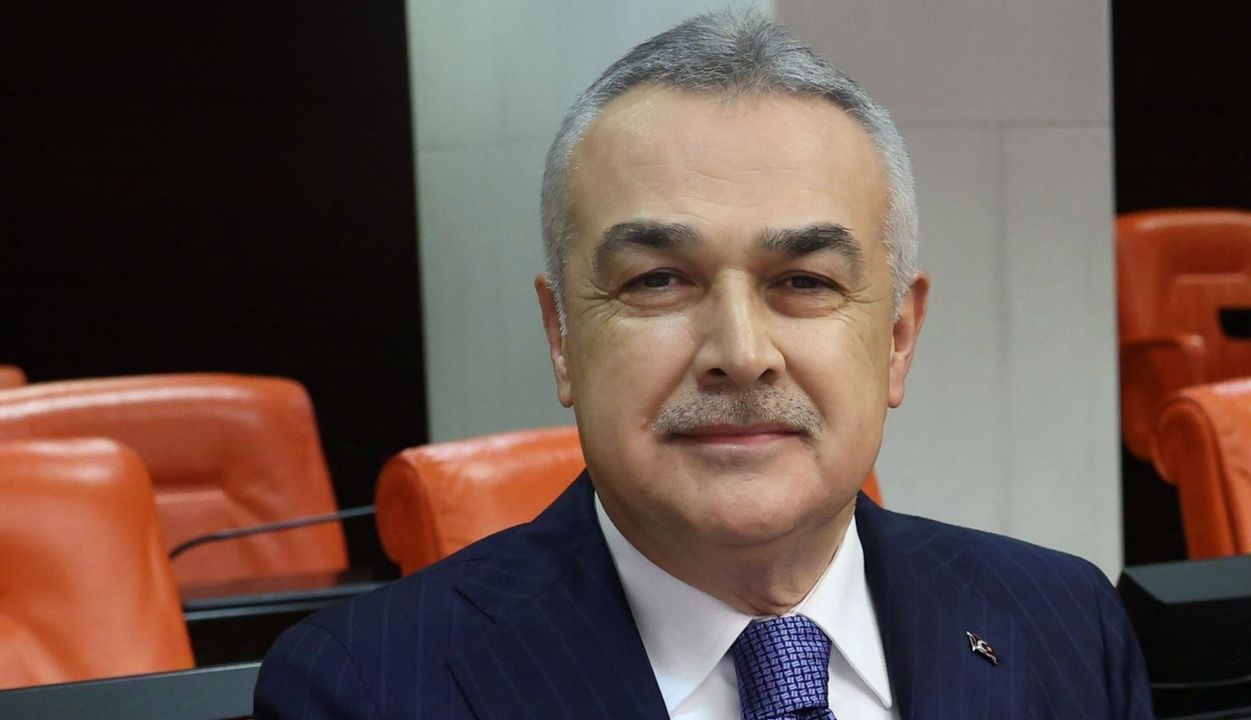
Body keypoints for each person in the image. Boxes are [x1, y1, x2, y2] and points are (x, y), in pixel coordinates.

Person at [255, 9, 1153, 719]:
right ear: (562, 335)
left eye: (804, 281)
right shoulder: (366, 688)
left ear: (897, 338)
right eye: (658, 281)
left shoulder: (1063, 623)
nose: (741, 355)